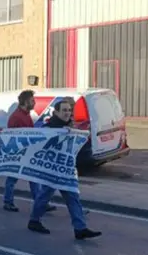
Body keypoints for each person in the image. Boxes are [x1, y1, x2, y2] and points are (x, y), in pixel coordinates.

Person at [28, 100, 102, 240]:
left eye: (69, 110)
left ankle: (80, 228)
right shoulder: (49, 128)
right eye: (64, 110)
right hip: (52, 170)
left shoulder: (70, 127)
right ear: (56, 112)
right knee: (44, 196)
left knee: (72, 197)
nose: (67, 113)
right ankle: (34, 221)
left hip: (65, 170)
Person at [3, 90, 54, 213]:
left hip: (28, 151)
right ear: (25, 102)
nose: (34, 103)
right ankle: (8, 202)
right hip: (18, 153)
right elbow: (12, 137)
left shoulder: (26, 115)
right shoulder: (16, 117)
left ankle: (39, 201)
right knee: (13, 178)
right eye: (32, 101)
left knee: (34, 177)